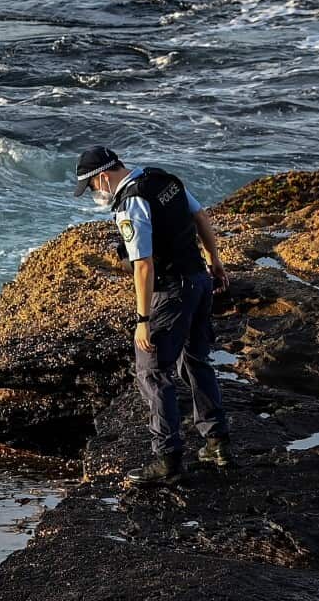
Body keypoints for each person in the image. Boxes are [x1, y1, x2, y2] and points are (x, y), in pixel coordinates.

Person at [72, 146, 233, 484]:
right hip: (200, 281)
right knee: (196, 360)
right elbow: (200, 215)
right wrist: (215, 261)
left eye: (91, 187)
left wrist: (143, 320)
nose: (94, 194)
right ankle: (217, 445)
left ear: (102, 176)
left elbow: (143, 264)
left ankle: (167, 461)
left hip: (172, 291)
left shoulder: (131, 202)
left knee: (152, 371)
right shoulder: (161, 179)